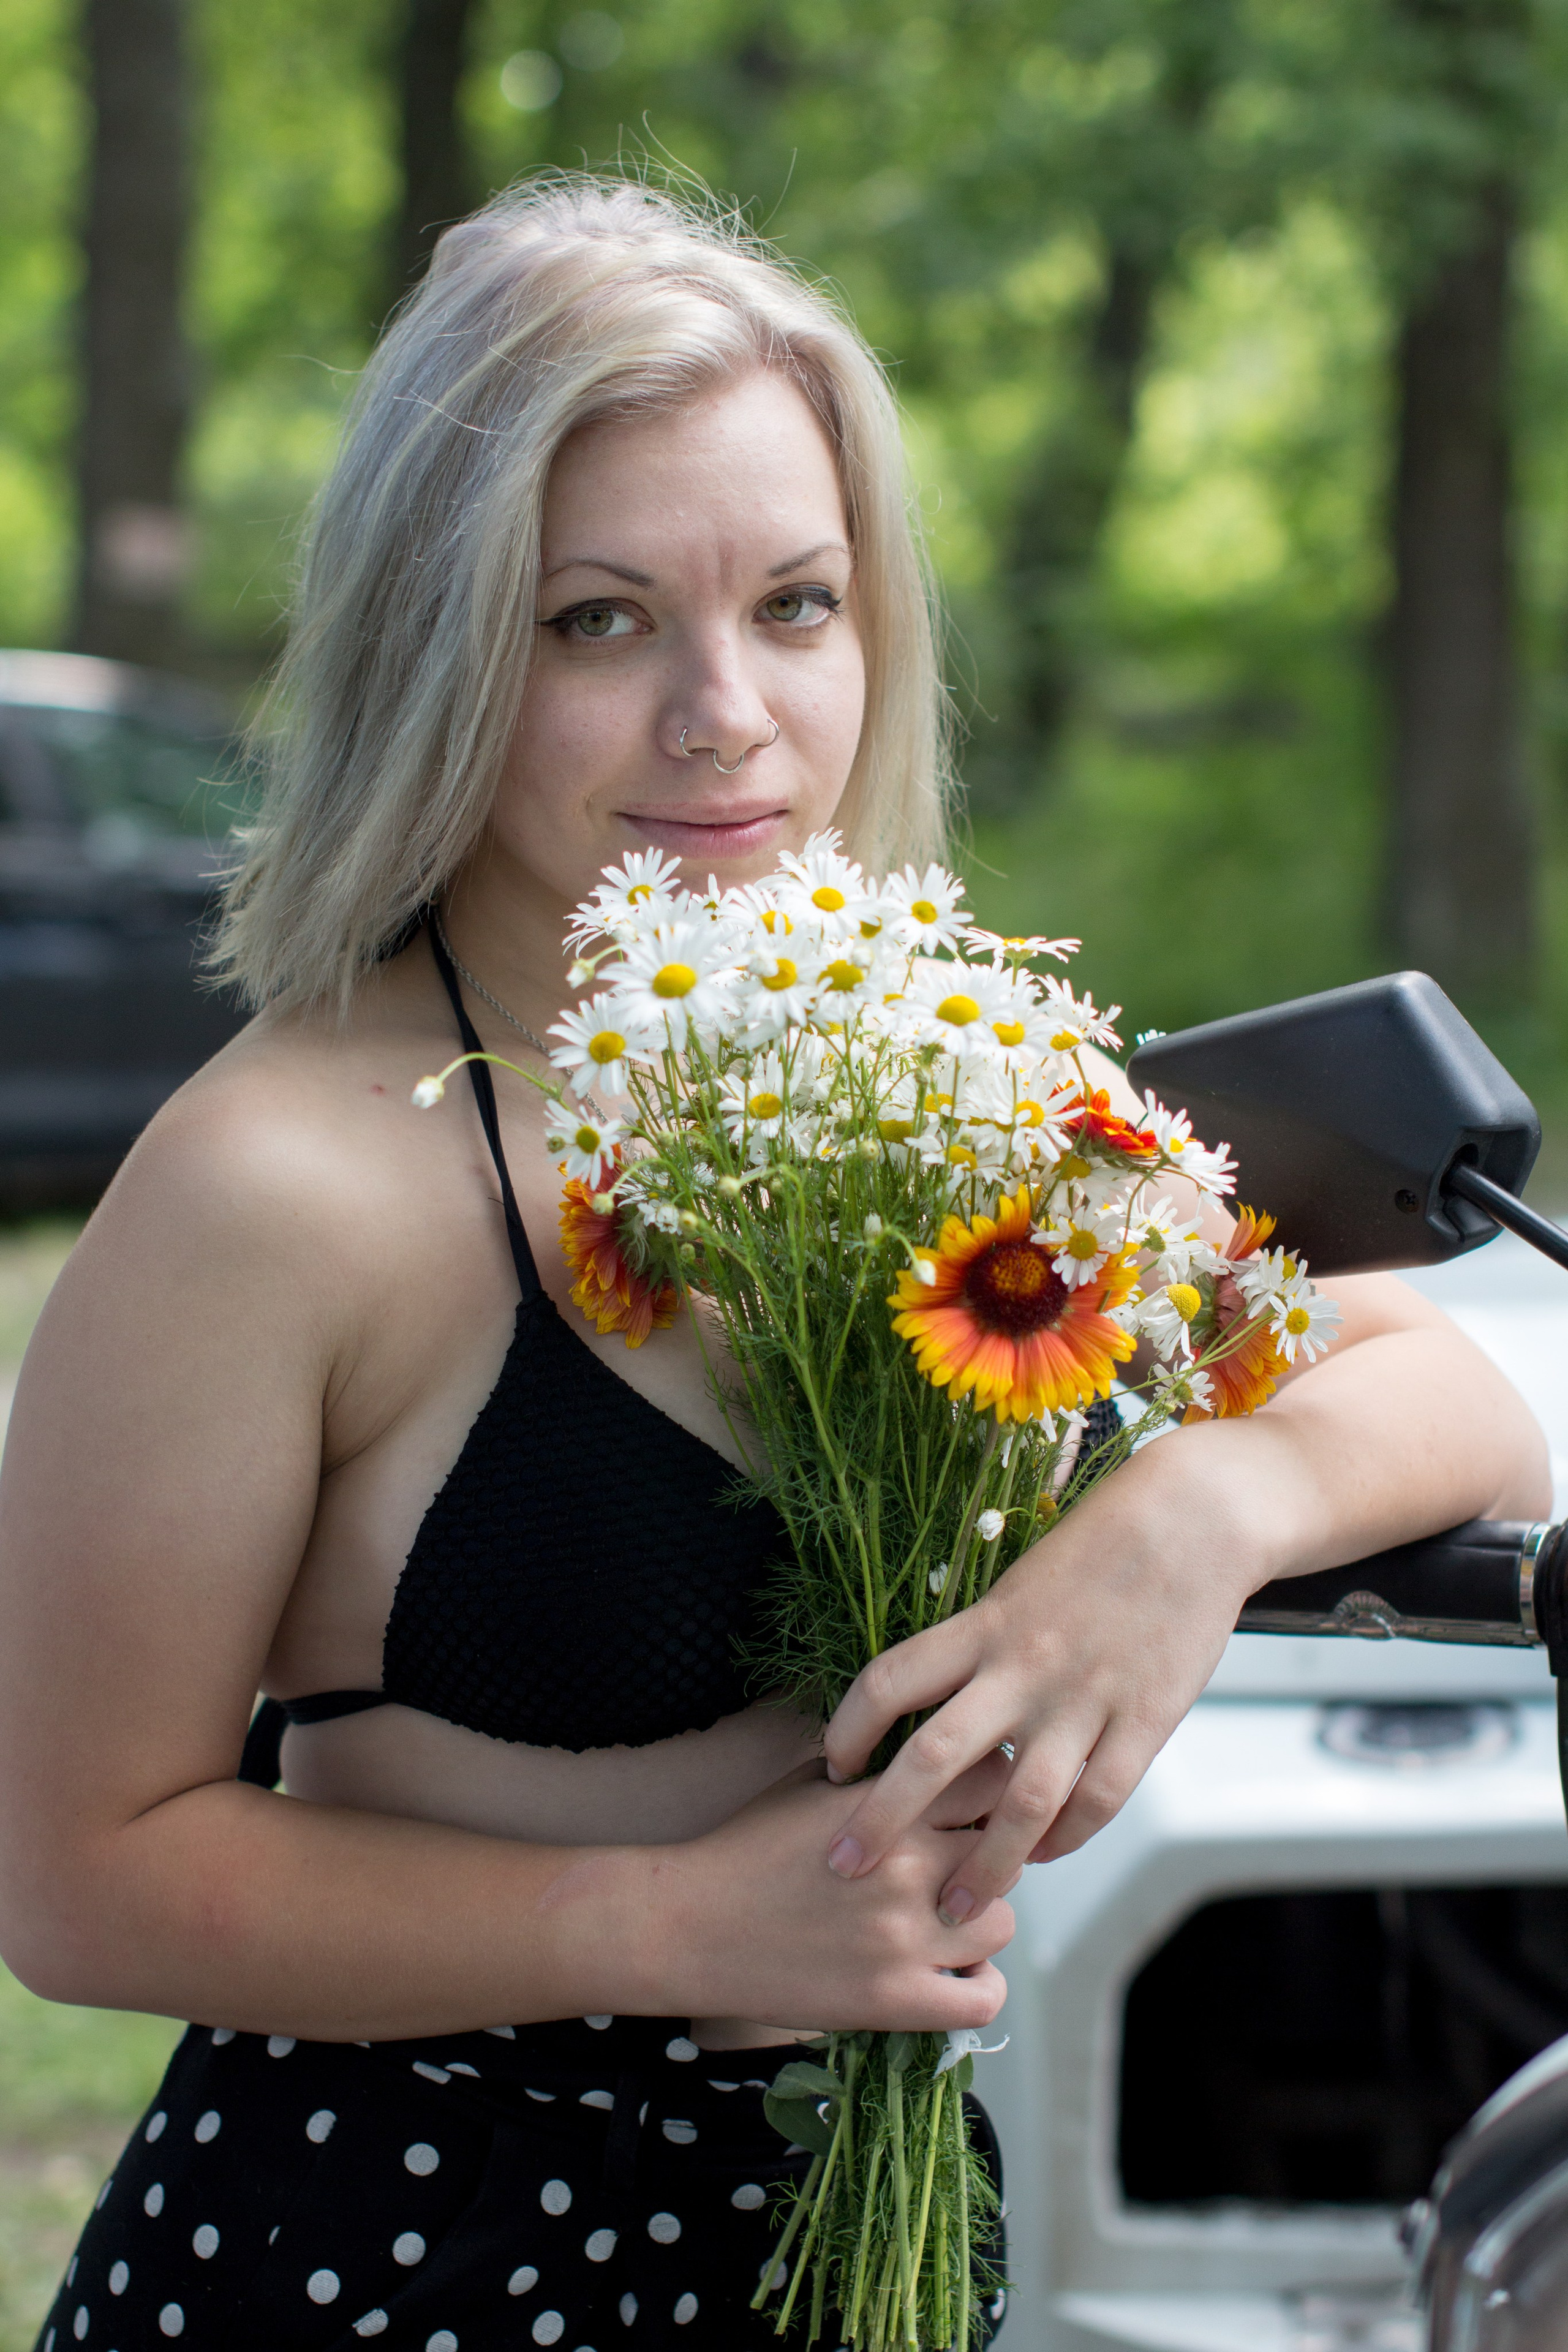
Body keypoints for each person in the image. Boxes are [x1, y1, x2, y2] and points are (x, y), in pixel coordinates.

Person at [0, 176, 1546, 2352]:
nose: (728, 713)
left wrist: (1200, 1515)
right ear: (437, 647)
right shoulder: (280, 1186)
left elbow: (1458, 1390)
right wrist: (667, 1920)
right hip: (407, 2263)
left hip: (862, 2252)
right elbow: (80, 1873)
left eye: (798, 606)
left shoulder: (925, 1058)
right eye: (600, 620)